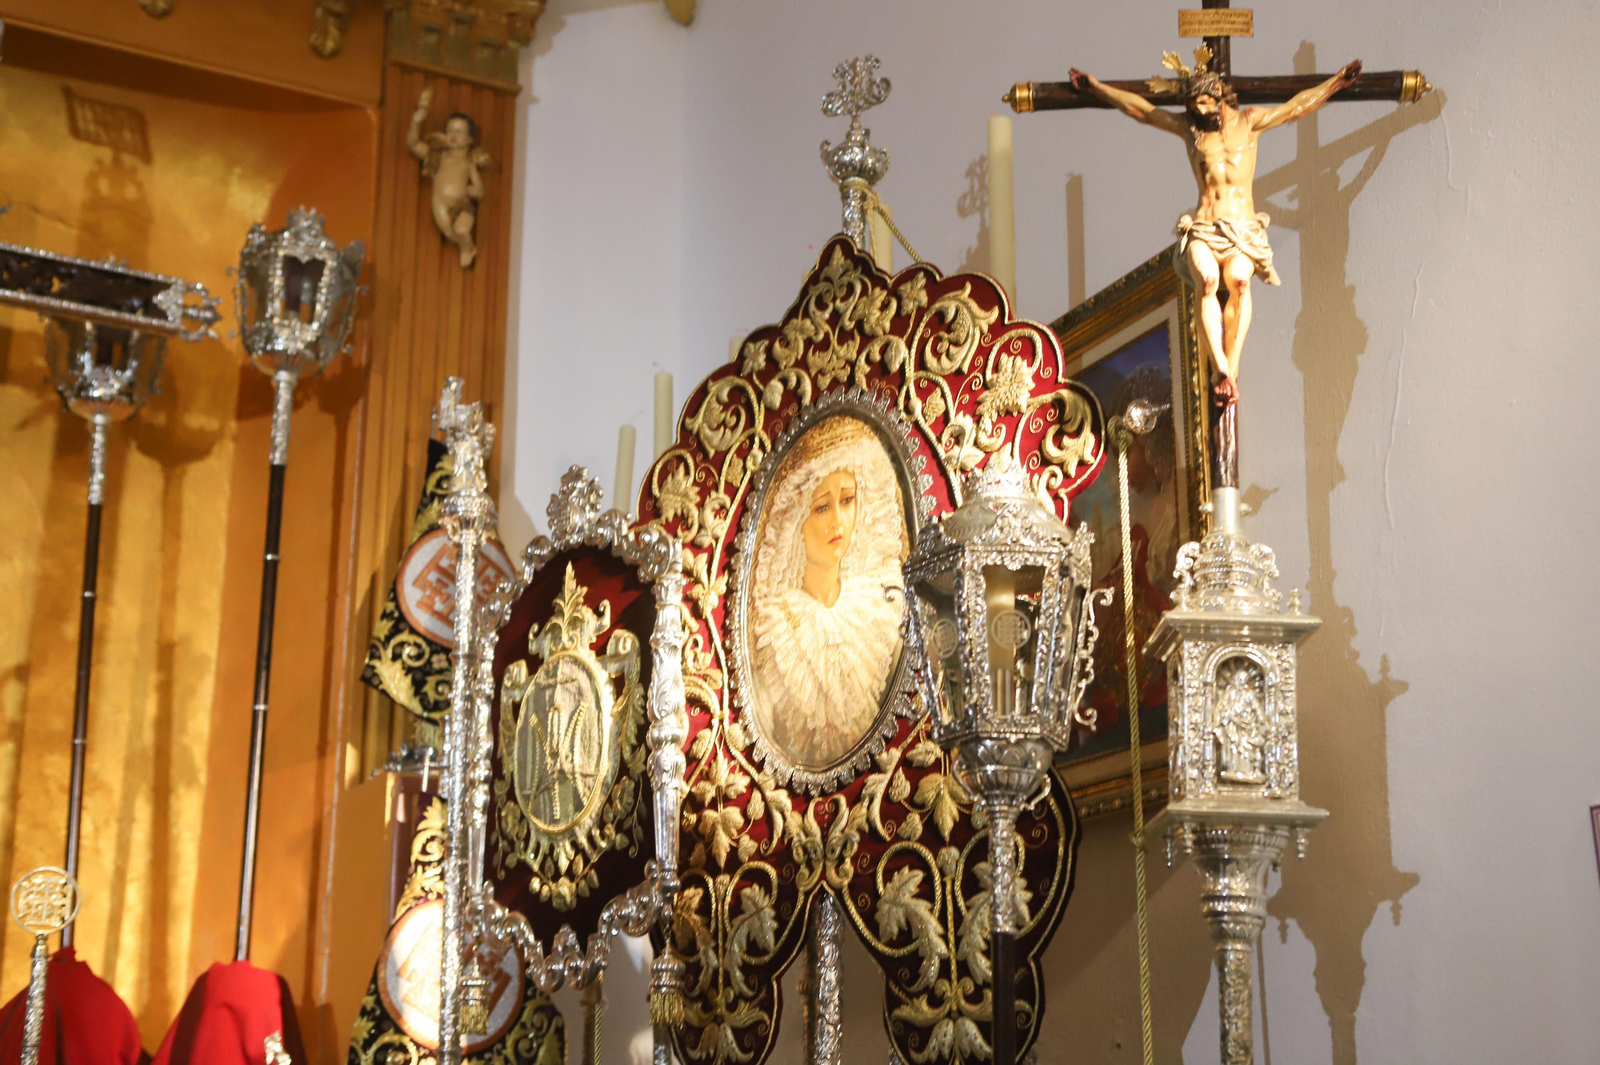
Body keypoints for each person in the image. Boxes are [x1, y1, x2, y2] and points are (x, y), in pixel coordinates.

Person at [1068, 51, 1361, 401]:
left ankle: (1230, 371)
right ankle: (1220, 366)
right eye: (1193, 105)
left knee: (1238, 282)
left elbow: (1296, 107)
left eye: (1205, 102)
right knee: (1207, 281)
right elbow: (1142, 111)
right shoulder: (1189, 130)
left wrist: (1335, 84)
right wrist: (1097, 87)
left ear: (1220, 96)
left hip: (1242, 229)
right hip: (1205, 227)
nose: (1200, 110)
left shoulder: (1249, 122)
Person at [748, 417, 907, 768]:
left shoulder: (880, 607)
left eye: (847, 500)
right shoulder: (775, 628)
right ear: (796, 522)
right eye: (822, 506)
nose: (838, 520)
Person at [407, 88, 491, 268]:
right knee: (447, 230)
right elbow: (414, 145)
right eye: (450, 130)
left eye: (459, 131)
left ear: (469, 138)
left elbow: (479, 189)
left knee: (461, 230)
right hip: (440, 201)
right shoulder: (439, 156)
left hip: (462, 204)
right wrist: (416, 122)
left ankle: (467, 247)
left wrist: (471, 190)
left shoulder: (468, 163)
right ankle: (465, 247)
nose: (453, 135)